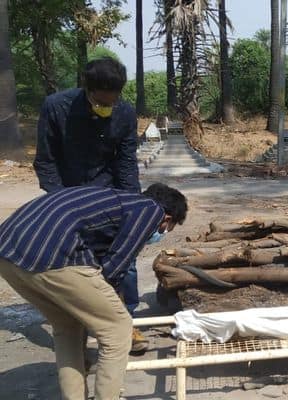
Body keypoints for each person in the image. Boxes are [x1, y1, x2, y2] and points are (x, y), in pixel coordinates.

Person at [0, 183, 187, 400]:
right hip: (52, 254)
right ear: (167, 218)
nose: (160, 233)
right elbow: (116, 264)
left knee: (68, 325)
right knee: (117, 328)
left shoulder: (112, 204)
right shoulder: (149, 209)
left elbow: (100, 261)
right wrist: (111, 304)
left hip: (8, 254)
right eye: (167, 228)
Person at [32, 57, 148, 351]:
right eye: (100, 101)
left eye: (112, 100)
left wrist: (131, 203)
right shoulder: (56, 108)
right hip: (68, 195)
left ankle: (126, 324)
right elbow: (46, 160)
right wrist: (60, 200)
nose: (106, 106)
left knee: (125, 258)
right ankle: (79, 333)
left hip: (108, 192)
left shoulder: (124, 113)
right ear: (87, 89)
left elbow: (125, 163)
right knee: (76, 266)